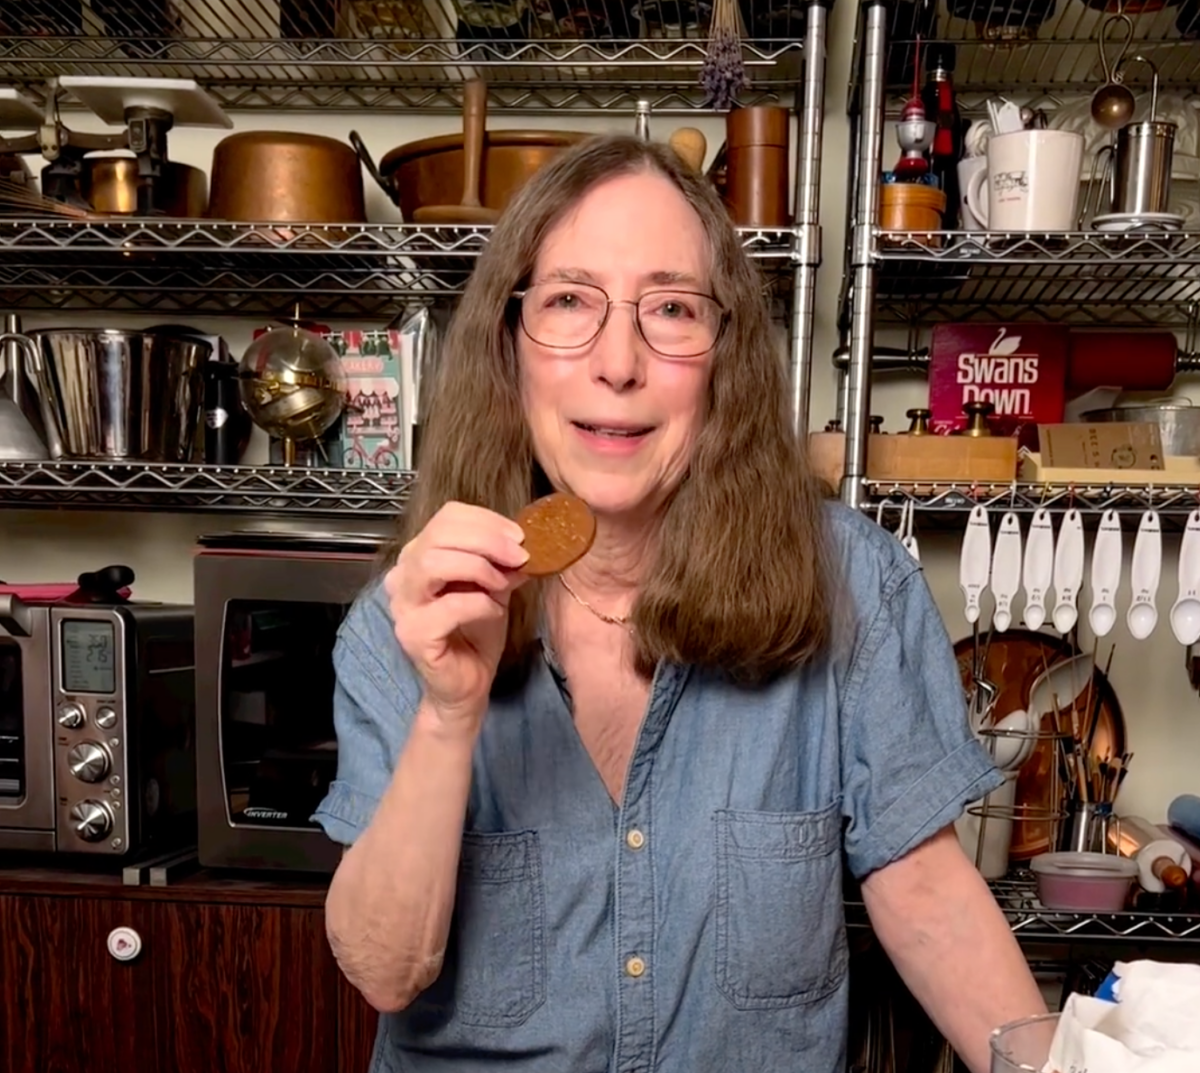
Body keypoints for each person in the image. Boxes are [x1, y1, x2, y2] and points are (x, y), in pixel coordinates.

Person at [313, 133, 1047, 1073]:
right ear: (510, 345)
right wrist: (449, 716)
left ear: (725, 360)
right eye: (571, 300)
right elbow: (384, 970)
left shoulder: (854, 589)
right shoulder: (401, 622)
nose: (618, 362)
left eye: (670, 309)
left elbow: (929, 892)